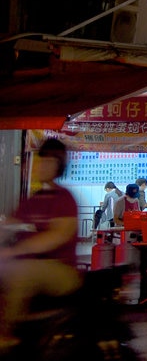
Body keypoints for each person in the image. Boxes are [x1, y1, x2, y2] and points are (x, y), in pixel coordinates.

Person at [0, 138, 84, 352]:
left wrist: (15, 251)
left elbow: (56, 236)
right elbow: (9, 225)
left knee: (21, 271)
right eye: (40, 160)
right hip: (32, 265)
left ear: (59, 166)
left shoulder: (64, 199)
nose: (41, 166)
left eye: (48, 162)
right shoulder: (32, 200)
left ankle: (6, 336)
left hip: (61, 269)